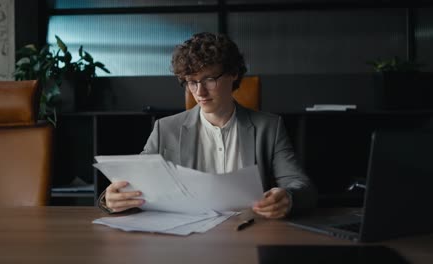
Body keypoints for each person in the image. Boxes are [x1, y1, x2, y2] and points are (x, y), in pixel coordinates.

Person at [99, 32, 317, 219]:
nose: (199, 92)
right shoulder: (165, 129)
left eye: (209, 79)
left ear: (233, 74)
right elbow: (133, 187)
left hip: (247, 229)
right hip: (186, 238)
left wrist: (287, 198)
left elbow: (301, 185)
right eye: (192, 82)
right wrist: (111, 200)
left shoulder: (269, 127)